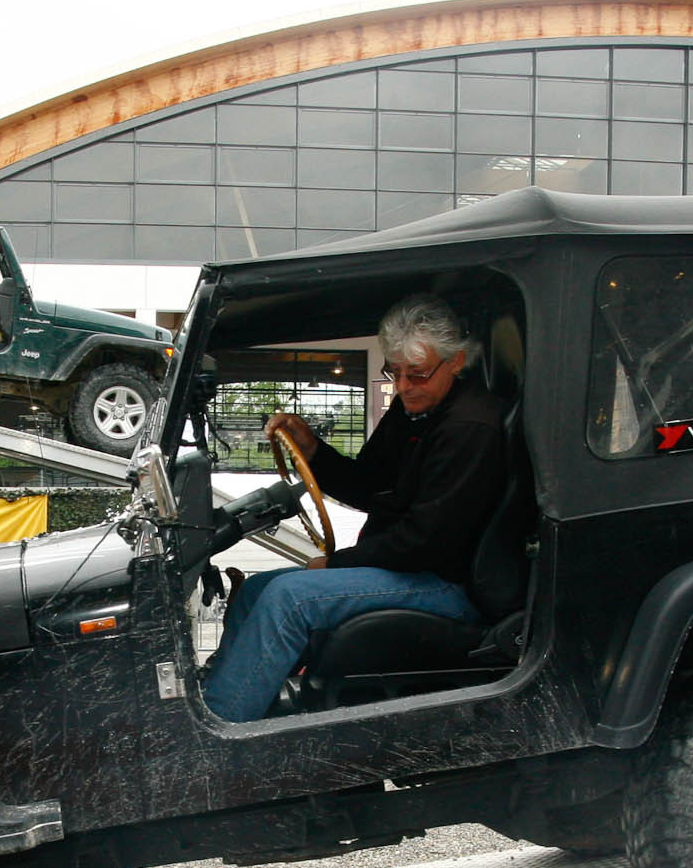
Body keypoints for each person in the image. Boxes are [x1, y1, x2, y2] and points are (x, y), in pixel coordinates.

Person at [202, 292, 506, 722]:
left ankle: (221, 728)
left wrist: (337, 563)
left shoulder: (470, 427)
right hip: (411, 566)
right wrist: (313, 450)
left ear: (455, 361)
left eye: (417, 375)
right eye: (395, 373)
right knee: (256, 590)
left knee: (289, 599)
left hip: (446, 582)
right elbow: (368, 484)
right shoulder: (415, 411)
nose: (403, 387)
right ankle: (237, 700)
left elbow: (427, 541)